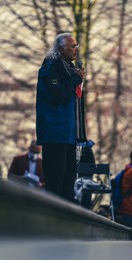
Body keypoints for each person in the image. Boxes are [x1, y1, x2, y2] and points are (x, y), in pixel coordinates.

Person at [36, 32, 87, 201]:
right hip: (55, 133)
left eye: (76, 46)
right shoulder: (50, 67)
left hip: (69, 134)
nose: (76, 49)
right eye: (73, 46)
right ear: (61, 49)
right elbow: (56, 95)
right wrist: (74, 80)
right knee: (55, 180)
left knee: (68, 179)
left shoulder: (70, 69)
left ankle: (66, 216)